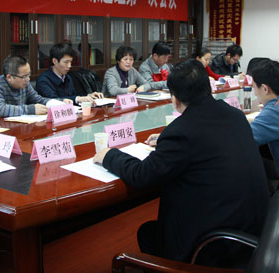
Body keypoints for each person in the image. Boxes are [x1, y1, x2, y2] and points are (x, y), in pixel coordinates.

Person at [94, 60, 269, 264]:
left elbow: (142, 175)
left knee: (148, 234)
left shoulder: (182, 132)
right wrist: (167, 140)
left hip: (216, 246)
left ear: (174, 100)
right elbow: (205, 137)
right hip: (253, 231)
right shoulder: (235, 115)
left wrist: (109, 155)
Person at [0, 56, 71, 120]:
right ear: (9, 77)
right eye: (24, 76)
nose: (28, 79)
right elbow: (0, 110)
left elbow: (37, 99)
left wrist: (59, 102)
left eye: (29, 74)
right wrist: (30, 109)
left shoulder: (24, 83)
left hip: (12, 127)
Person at [35, 42, 103, 104]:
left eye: (70, 62)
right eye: (66, 62)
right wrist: (77, 99)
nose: (69, 66)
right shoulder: (43, 80)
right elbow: (54, 101)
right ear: (54, 61)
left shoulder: (67, 77)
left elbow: (73, 96)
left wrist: (88, 96)